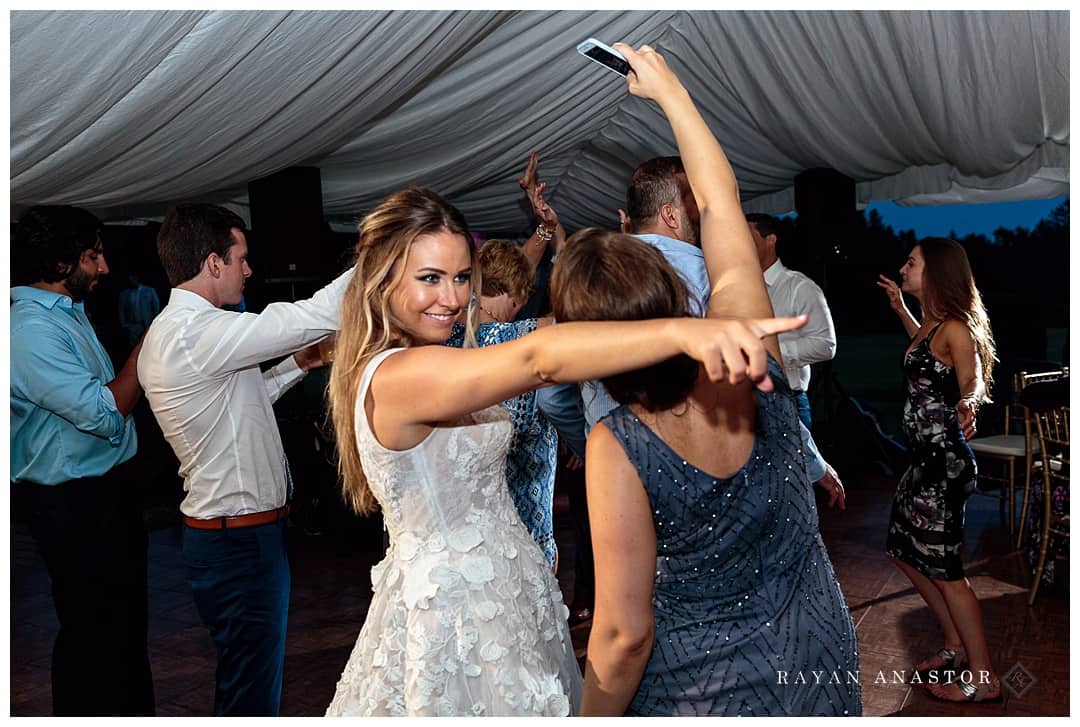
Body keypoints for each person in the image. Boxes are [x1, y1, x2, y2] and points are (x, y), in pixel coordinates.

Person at [322, 185, 806, 716]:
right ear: (382, 277)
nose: (453, 298)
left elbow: (547, 333)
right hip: (454, 615)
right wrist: (684, 332)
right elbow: (537, 359)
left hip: (506, 592)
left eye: (462, 278)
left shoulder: (437, 357)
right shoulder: (398, 374)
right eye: (430, 279)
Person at [554, 43, 860, 716]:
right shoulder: (758, 361)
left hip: (699, 690)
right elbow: (721, 204)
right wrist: (669, 92)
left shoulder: (617, 445)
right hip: (819, 657)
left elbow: (623, 637)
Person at [137, 203, 352, 716]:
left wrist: (301, 364)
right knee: (251, 694)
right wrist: (384, 251)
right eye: (241, 258)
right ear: (213, 264)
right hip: (238, 542)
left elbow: (242, 400)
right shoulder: (196, 333)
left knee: (245, 680)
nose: (249, 270)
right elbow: (312, 315)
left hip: (230, 535)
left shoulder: (181, 335)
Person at [10, 206, 154, 716]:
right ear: (57, 261)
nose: (105, 268)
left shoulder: (66, 312)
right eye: (94, 256)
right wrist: (145, 351)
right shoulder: (27, 330)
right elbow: (105, 414)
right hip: (70, 503)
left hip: (106, 493)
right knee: (92, 632)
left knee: (123, 626)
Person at [877, 238, 1001, 703]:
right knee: (902, 550)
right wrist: (900, 308)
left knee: (947, 571)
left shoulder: (955, 328)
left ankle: (984, 679)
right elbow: (923, 358)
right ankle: (953, 646)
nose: (903, 267)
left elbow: (971, 379)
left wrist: (968, 400)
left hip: (944, 467)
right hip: (922, 464)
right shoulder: (930, 325)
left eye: (911, 262)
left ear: (935, 271)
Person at [444, 238, 562, 567]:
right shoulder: (523, 339)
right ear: (518, 291)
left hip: (469, 533)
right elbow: (583, 313)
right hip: (527, 527)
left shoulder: (443, 343)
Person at [746, 213, 837, 429]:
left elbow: (826, 344)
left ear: (771, 240)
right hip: (741, 405)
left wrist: (770, 355)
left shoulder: (800, 288)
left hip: (786, 401)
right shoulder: (737, 289)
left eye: (749, 237)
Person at [117, 272, 161, 348]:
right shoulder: (124, 294)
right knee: (136, 347)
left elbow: (156, 307)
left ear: (137, 279)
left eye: (133, 279)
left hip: (148, 323)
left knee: (151, 344)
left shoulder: (149, 290)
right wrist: (124, 324)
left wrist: (155, 321)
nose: (132, 282)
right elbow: (121, 310)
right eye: (129, 280)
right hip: (133, 325)